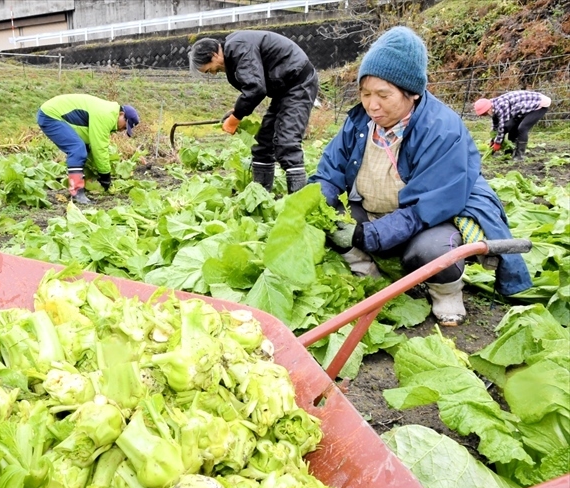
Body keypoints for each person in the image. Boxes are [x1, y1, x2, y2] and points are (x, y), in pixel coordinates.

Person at [309, 26, 531, 326]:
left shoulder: (442, 129)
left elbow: (425, 208)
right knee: (327, 218)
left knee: (430, 252)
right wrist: (316, 203)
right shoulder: (360, 121)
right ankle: (368, 275)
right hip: (374, 209)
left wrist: (367, 235)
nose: (372, 105)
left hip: (429, 219)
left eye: (383, 95)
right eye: (365, 94)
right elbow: (329, 172)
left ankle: (446, 290)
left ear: (412, 92)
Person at [189, 31, 319, 195]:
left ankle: (300, 201)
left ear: (213, 54)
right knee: (263, 144)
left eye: (209, 70)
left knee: (287, 143)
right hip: (283, 90)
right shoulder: (233, 53)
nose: (213, 73)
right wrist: (237, 110)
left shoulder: (237, 47)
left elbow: (256, 89)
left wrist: (235, 118)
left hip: (298, 83)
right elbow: (252, 88)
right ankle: (262, 198)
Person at [37, 93, 139, 205]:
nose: (122, 130)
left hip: (54, 113)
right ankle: (76, 191)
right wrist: (105, 176)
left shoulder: (108, 112)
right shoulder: (106, 115)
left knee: (85, 149)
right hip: (51, 115)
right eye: (125, 126)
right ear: (121, 114)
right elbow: (99, 149)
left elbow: (92, 145)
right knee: (77, 149)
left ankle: (82, 183)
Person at [474, 91, 551, 161]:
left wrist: (497, 143)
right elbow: (495, 126)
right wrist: (493, 140)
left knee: (522, 128)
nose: (485, 115)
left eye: (485, 114)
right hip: (521, 110)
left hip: (538, 105)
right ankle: (509, 152)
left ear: (488, 109)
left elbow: (502, 126)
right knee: (512, 128)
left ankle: (520, 156)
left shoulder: (501, 106)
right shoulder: (494, 107)